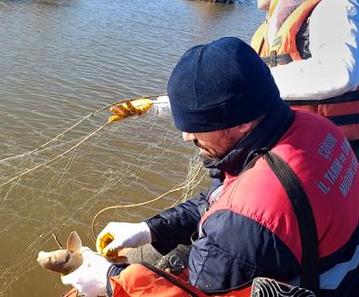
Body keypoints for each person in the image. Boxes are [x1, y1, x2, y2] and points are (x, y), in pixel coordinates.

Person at [64, 37, 359, 296]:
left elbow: (198, 287)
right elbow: (224, 199)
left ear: (242, 123)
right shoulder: (316, 128)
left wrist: (111, 282)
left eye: (197, 127)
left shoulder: (247, 220)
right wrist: (151, 229)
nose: (186, 136)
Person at [248, 0, 359, 154]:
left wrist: (248, 86)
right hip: (291, 157)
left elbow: (340, 73)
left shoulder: (335, 7)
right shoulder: (268, 31)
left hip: (335, 160)